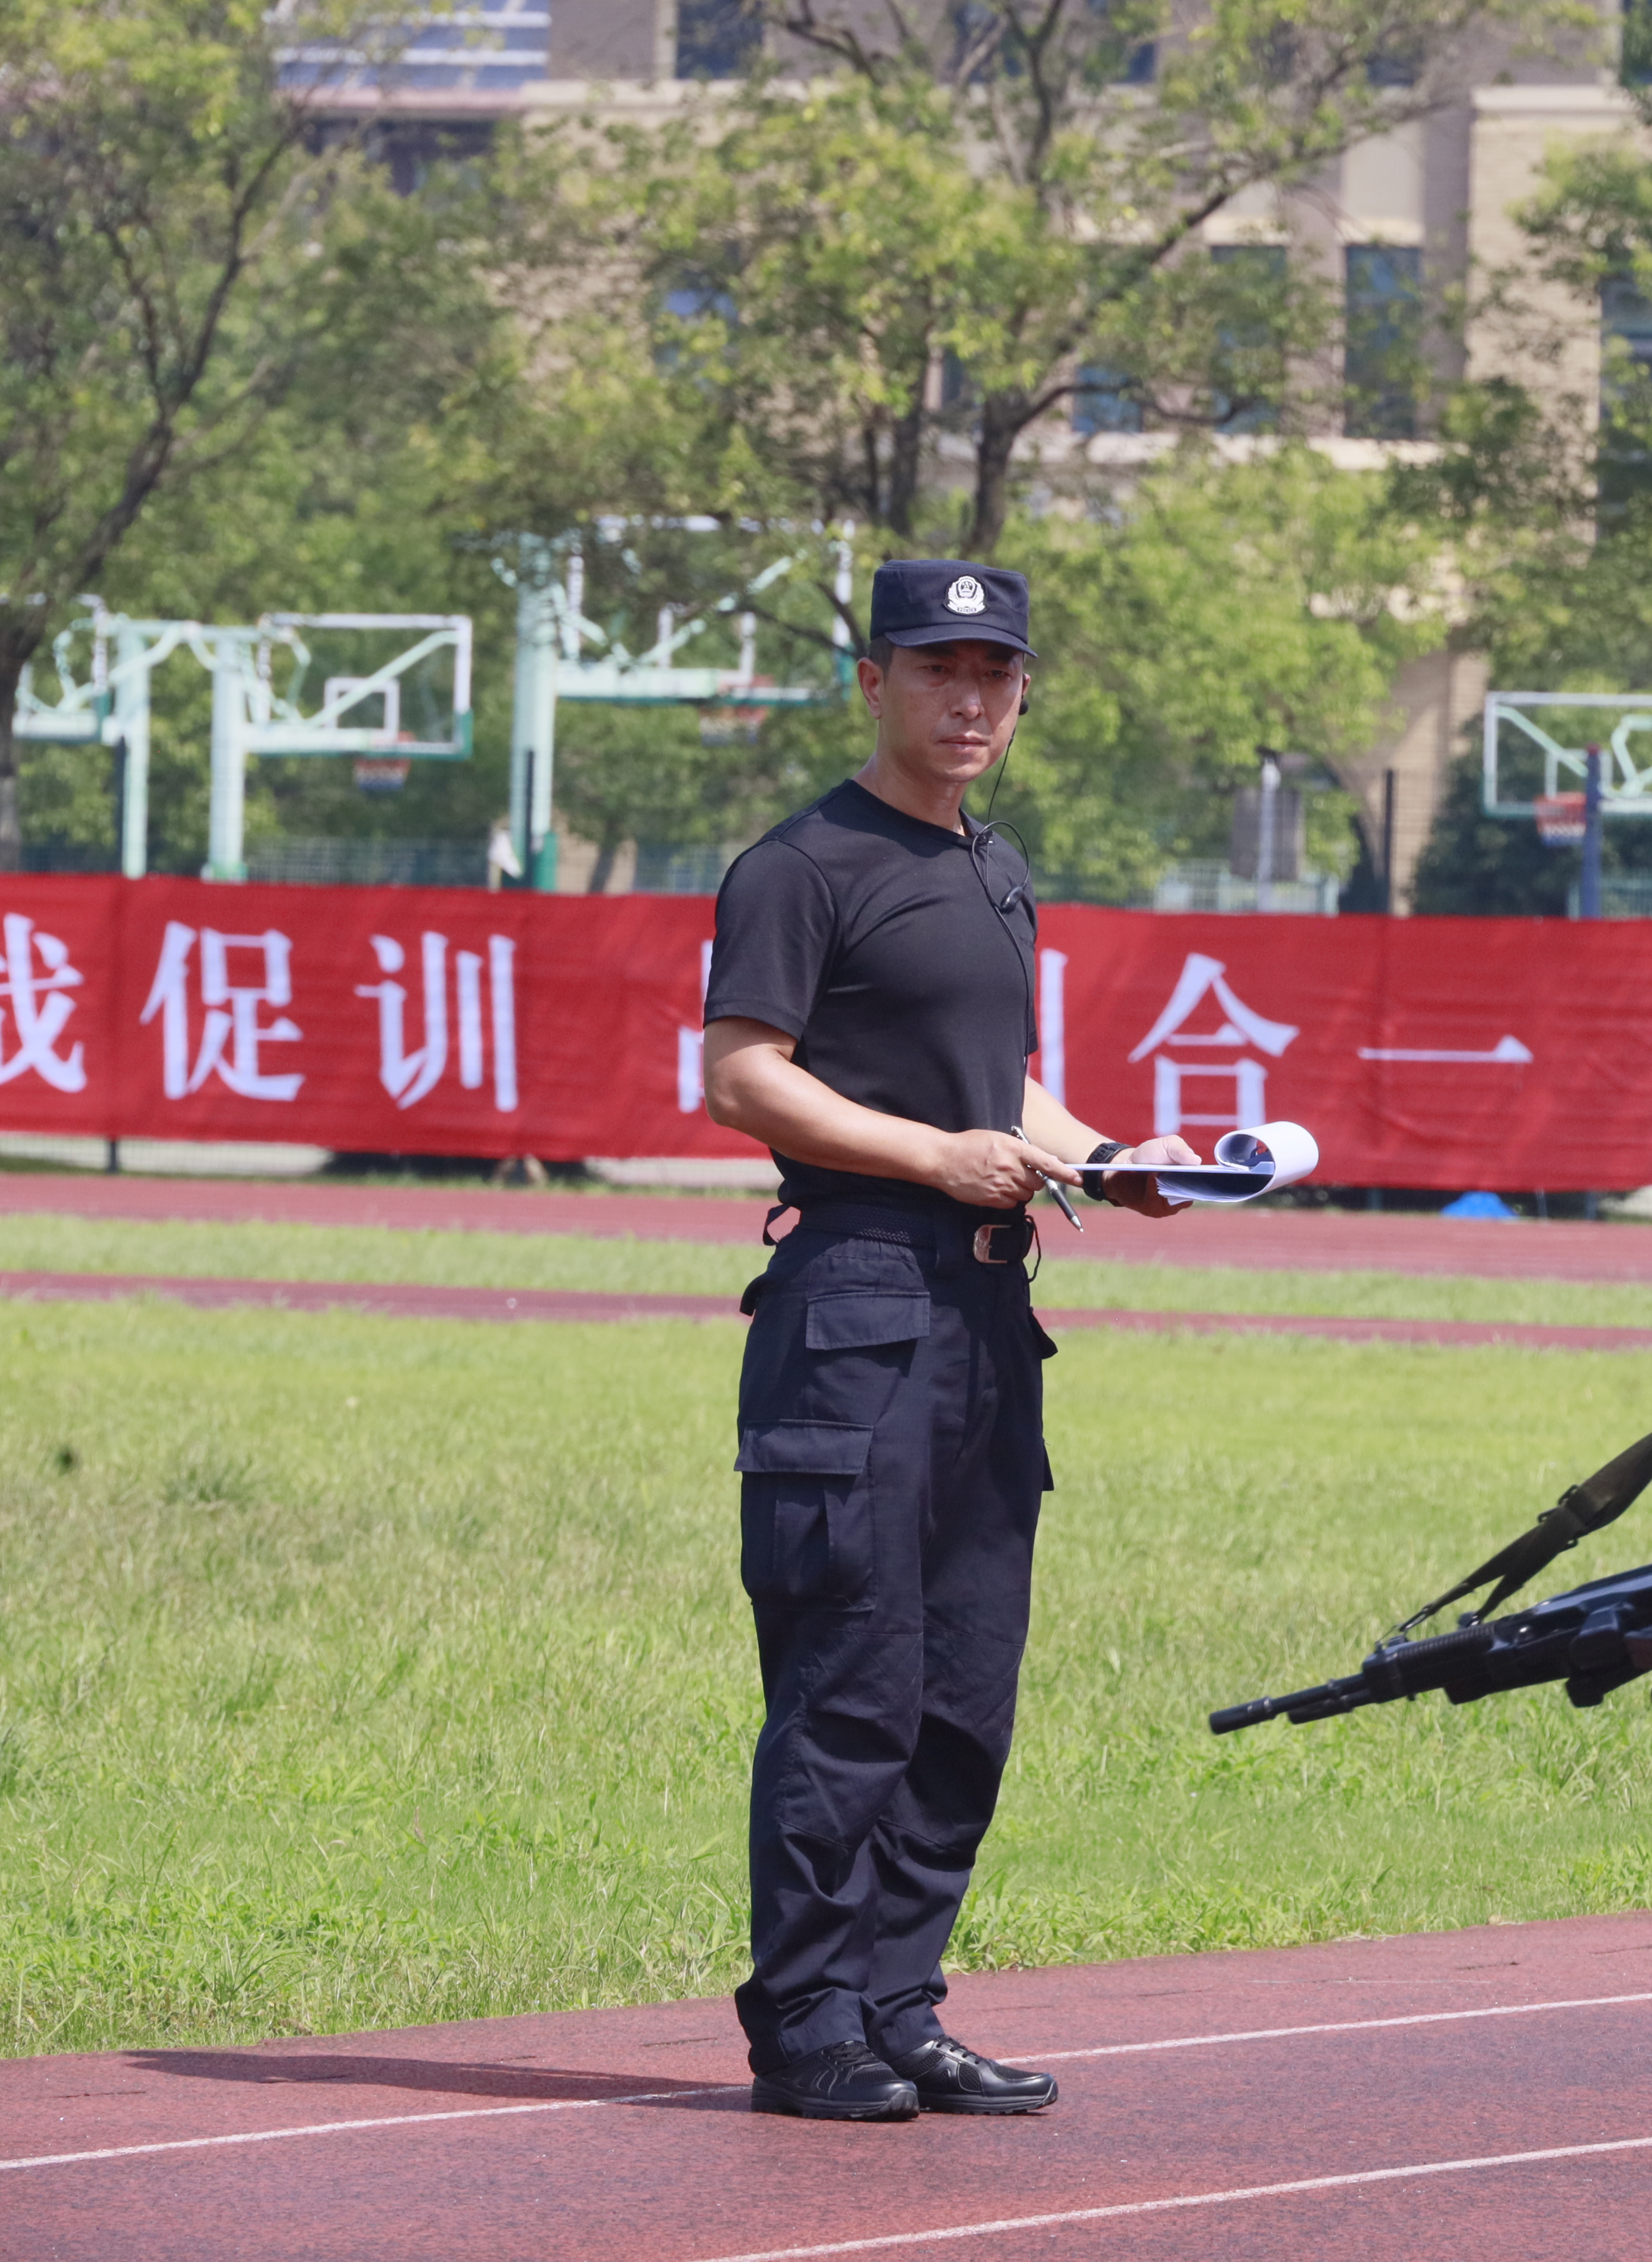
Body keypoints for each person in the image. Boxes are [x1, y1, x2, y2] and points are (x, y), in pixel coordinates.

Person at [699, 558, 1197, 2123]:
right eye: (937, 670)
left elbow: (1002, 1086)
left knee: (964, 1693)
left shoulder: (995, 865)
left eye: (996, 674)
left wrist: (1101, 1160)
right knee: (853, 1682)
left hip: (989, 1315)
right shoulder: (802, 865)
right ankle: (807, 2027)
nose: (969, 700)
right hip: (856, 1308)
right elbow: (742, 1078)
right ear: (875, 681)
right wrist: (933, 1159)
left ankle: (900, 2006)